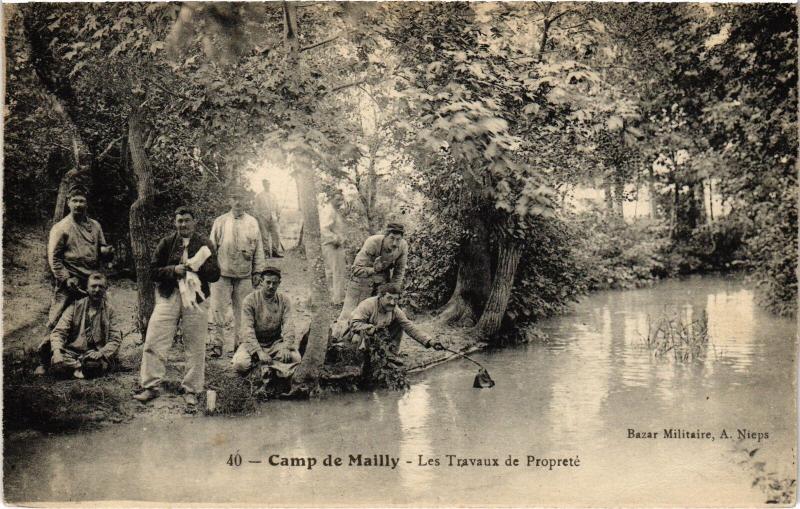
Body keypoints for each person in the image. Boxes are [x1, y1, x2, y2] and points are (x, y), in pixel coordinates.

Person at [134, 206, 221, 412]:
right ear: (175, 223)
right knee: (155, 338)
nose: (183, 224)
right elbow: (152, 271)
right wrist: (174, 270)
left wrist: (198, 267)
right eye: (180, 221)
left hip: (196, 298)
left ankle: (191, 389)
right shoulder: (166, 243)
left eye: (187, 220)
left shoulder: (205, 243)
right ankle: (150, 386)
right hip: (168, 295)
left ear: (194, 222)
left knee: (195, 344)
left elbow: (216, 274)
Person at [35, 184, 113, 375]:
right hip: (70, 281)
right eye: (75, 200)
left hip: (91, 282)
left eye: (82, 201)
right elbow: (54, 258)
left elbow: (102, 248)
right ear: (68, 203)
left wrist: (106, 252)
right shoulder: (61, 227)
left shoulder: (95, 226)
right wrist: (65, 278)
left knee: (101, 315)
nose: (78, 204)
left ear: (87, 203)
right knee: (57, 318)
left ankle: (100, 355)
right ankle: (44, 360)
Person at [208, 186, 267, 358]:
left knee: (243, 311)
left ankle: (240, 345)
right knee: (217, 309)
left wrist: (258, 272)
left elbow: (259, 249)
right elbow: (211, 249)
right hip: (221, 274)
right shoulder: (220, 222)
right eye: (234, 198)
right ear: (229, 201)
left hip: (244, 275)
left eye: (241, 198)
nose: (238, 202)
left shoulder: (252, 222)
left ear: (246, 201)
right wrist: (211, 271)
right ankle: (216, 344)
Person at [331, 222, 408, 339]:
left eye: (398, 239)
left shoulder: (402, 246)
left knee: (377, 316)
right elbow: (355, 269)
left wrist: (392, 292)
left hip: (381, 284)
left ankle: (371, 348)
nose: (395, 243)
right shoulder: (373, 242)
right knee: (349, 317)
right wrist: (374, 270)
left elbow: (399, 272)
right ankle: (336, 343)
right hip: (360, 283)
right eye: (392, 238)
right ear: (385, 236)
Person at [346, 283, 443, 372]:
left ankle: (390, 355)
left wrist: (430, 341)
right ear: (381, 296)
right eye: (389, 298)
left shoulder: (395, 310)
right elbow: (353, 323)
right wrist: (369, 328)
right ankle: (360, 363)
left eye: (396, 299)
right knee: (358, 340)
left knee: (399, 324)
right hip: (358, 336)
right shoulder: (368, 305)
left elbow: (409, 326)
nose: (392, 302)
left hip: (378, 337)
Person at [43, 272, 122, 379]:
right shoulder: (75, 306)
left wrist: (101, 353)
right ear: (87, 289)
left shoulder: (110, 311)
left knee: (92, 366)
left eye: (101, 286)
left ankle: (78, 370)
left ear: (105, 289)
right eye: (93, 286)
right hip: (72, 352)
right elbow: (59, 332)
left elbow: (115, 338)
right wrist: (57, 352)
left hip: (94, 355)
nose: (97, 290)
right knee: (58, 366)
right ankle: (79, 369)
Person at [232, 266, 306, 375]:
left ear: (279, 283)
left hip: (274, 343)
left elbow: (288, 326)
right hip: (253, 343)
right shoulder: (250, 300)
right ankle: (263, 365)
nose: (271, 286)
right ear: (261, 282)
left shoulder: (284, 300)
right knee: (240, 364)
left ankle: (267, 367)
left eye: (274, 283)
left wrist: (286, 347)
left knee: (296, 358)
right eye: (268, 282)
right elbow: (247, 330)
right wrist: (258, 351)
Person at [321, 193, 347, 305]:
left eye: (341, 199)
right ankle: (337, 299)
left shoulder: (334, 210)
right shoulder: (329, 211)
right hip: (332, 245)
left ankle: (335, 297)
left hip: (334, 245)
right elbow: (324, 228)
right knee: (337, 271)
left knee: (334, 271)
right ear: (330, 198)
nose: (340, 202)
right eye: (337, 199)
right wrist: (335, 239)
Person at [254, 179, 283, 258]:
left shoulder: (273, 195)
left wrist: (278, 214)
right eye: (266, 184)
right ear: (263, 185)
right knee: (265, 236)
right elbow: (256, 208)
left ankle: (275, 252)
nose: (268, 186)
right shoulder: (259, 196)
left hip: (273, 217)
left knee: (276, 234)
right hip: (263, 217)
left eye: (269, 184)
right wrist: (259, 218)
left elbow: (277, 205)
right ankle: (266, 253)